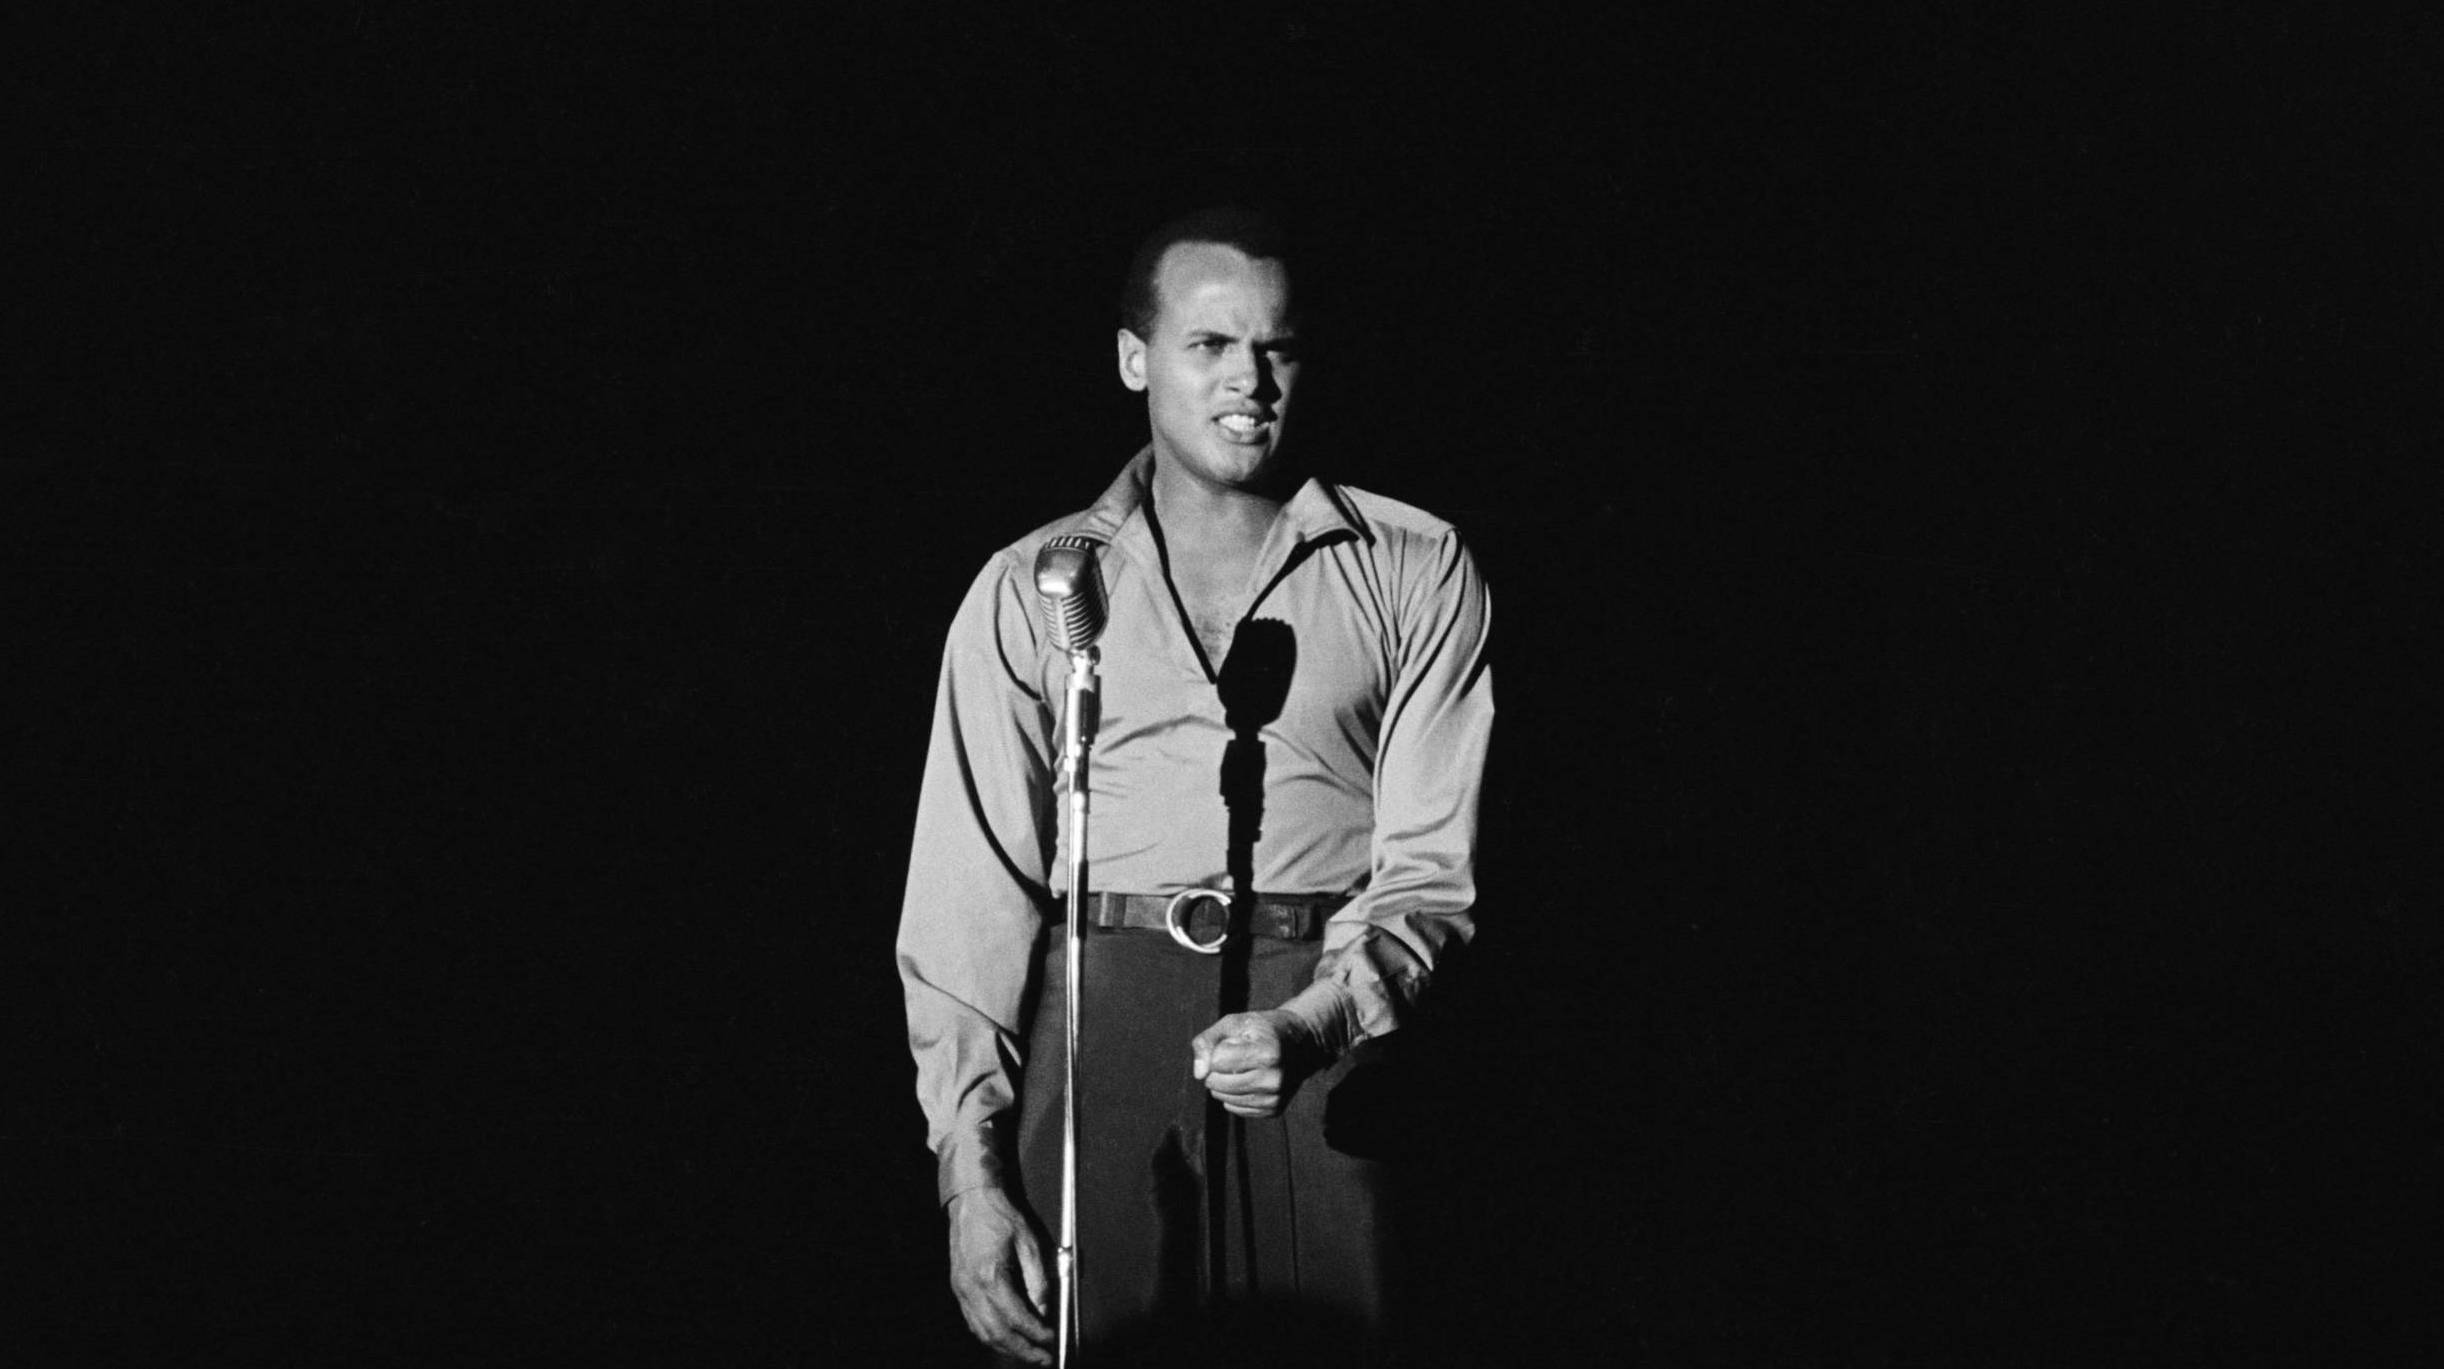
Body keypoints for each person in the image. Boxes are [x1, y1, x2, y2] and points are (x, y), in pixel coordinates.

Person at [896, 206, 1494, 1365]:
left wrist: (1315, 1020)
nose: (1249, 381)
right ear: (1135, 360)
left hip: (1324, 1036)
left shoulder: (1415, 566)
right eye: (1209, 346)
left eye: (1275, 347)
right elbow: (965, 905)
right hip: (1101, 1021)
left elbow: (1431, 870)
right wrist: (968, 1179)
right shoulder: (1035, 587)